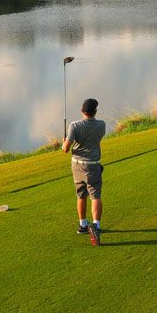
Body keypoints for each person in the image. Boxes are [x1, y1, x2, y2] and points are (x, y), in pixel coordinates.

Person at [63, 97, 105, 245]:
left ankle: (83, 225)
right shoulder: (101, 125)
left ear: (82, 110)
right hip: (92, 165)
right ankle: (96, 226)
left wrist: (64, 143)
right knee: (95, 196)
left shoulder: (74, 126)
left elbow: (66, 149)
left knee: (81, 195)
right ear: (95, 111)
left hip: (77, 165)